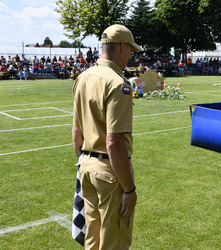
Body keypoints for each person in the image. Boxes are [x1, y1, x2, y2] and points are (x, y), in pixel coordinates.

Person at [72, 24, 143, 249]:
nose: (130, 55)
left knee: (92, 236)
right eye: (130, 50)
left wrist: (84, 160)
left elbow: (76, 132)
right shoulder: (117, 82)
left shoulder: (83, 77)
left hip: (85, 164)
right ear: (122, 46)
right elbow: (114, 143)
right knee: (114, 239)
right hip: (108, 170)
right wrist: (129, 190)